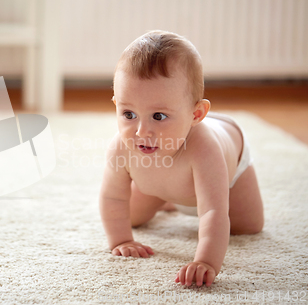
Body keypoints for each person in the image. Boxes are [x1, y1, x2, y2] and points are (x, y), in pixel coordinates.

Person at [99, 30, 264, 287]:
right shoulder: (121, 147)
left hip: (230, 161)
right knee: (131, 218)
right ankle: (167, 196)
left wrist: (206, 261)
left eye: (159, 116)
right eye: (129, 114)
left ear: (196, 114)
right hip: (164, 178)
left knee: (248, 225)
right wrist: (121, 241)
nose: (142, 131)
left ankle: (170, 195)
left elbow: (213, 211)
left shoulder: (205, 149)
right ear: (116, 104)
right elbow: (113, 197)